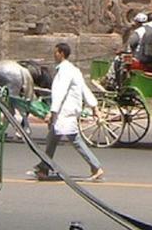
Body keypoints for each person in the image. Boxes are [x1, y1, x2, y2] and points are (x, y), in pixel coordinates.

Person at [32, 42, 104, 181]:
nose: (54, 54)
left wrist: (52, 113)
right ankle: (44, 167)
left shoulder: (64, 71)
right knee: (52, 139)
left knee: (74, 140)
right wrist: (94, 106)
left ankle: (96, 167)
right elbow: (84, 89)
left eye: (56, 52)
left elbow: (60, 93)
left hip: (64, 112)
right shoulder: (74, 70)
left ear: (61, 53)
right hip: (68, 111)